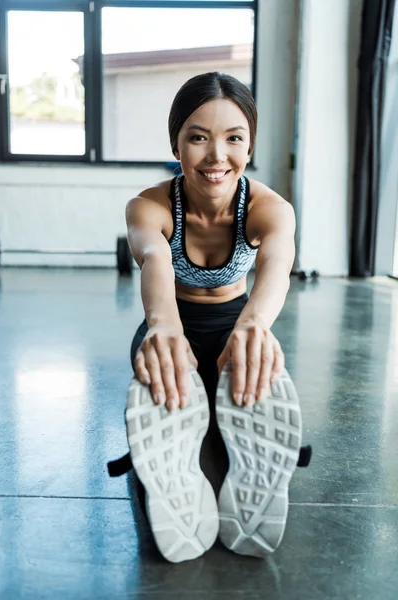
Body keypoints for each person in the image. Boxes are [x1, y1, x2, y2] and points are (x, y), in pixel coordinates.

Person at [125, 72, 305, 564]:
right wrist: (162, 326)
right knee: (174, 404)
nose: (216, 155)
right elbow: (155, 260)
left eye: (234, 138)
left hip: (238, 327)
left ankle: (232, 459)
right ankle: (175, 466)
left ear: (250, 144)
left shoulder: (270, 208)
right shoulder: (150, 206)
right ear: (175, 142)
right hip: (173, 327)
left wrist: (254, 326)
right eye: (198, 137)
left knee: (234, 433)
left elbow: (277, 267)